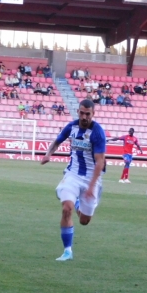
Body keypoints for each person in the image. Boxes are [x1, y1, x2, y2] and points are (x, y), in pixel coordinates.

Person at [41, 99, 106, 261]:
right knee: (66, 209)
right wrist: (49, 154)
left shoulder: (98, 132)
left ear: (93, 114)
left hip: (92, 178)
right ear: (78, 112)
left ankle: (78, 203)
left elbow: (100, 162)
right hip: (73, 174)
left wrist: (91, 187)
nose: (84, 117)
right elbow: (57, 142)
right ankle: (67, 251)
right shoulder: (71, 127)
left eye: (88, 114)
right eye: (82, 113)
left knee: (84, 221)